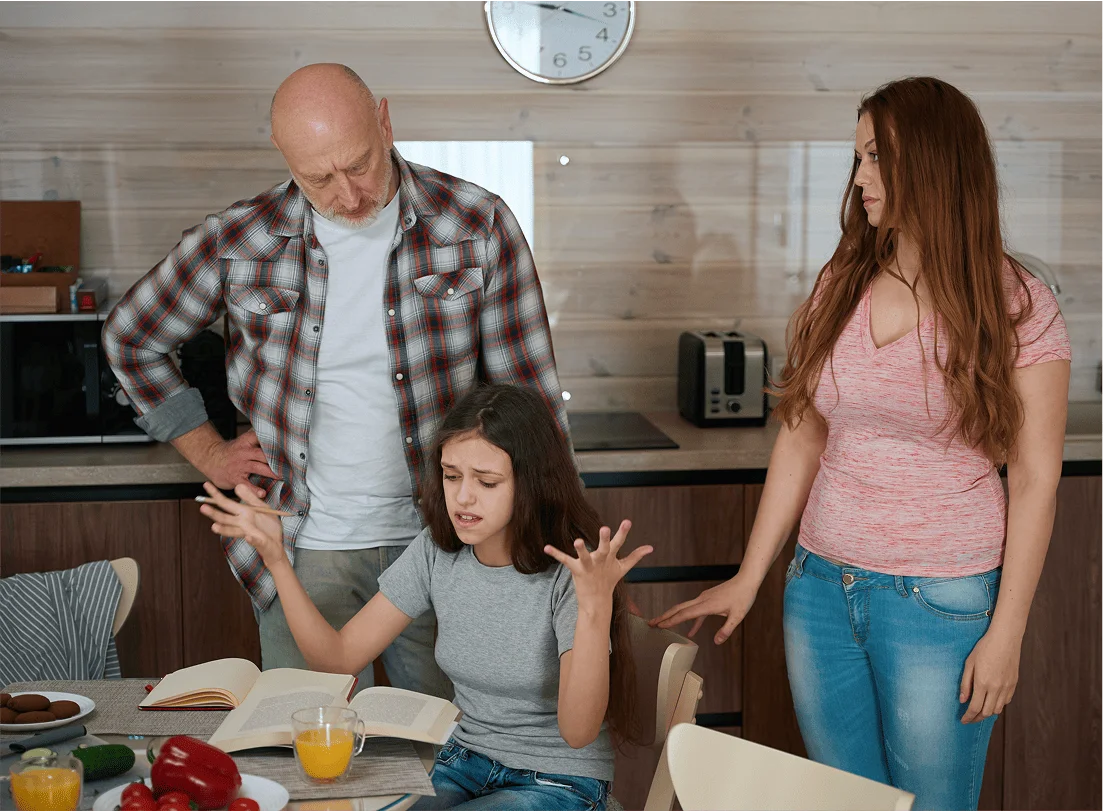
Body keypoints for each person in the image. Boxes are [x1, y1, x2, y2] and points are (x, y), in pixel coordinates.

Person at [652, 77, 1071, 811]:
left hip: (939, 601)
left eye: (876, 157)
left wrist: (1006, 632)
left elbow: (1035, 475)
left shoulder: (1017, 303)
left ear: (933, 162)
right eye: (857, 158)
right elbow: (803, 430)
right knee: (843, 803)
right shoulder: (841, 280)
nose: (859, 177)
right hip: (817, 589)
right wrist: (752, 575)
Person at [102, 63, 567, 697]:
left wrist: (553, 560)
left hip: (447, 547)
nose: (348, 196)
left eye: (360, 165)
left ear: (384, 120)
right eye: (318, 178)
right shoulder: (239, 240)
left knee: (440, 760)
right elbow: (131, 337)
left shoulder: (477, 225)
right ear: (283, 155)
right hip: (299, 549)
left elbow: (531, 404)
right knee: (307, 761)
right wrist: (209, 452)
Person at [198, 384, 650, 810]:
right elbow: (337, 659)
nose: (463, 497)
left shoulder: (571, 574)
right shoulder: (437, 551)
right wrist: (277, 559)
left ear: (531, 483)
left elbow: (578, 733)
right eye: (452, 476)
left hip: (556, 780)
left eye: (487, 482)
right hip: (464, 762)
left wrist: (594, 609)